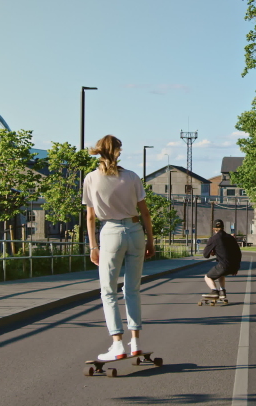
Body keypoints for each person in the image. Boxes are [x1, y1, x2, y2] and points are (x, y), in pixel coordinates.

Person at [83, 135, 155, 361]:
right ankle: (136, 342)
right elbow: (145, 213)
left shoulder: (91, 179)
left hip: (111, 233)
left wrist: (93, 246)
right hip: (135, 232)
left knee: (108, 291)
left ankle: (117, 344)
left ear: (98, 151)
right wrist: (150, 240)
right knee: (132, 290)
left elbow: (91, 217)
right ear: (118, 151)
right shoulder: (132, 177)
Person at [202, 219, 242, 299]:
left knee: (207, 277)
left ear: (213, 228)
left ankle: (214, 291)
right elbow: (238, 253)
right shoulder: (230, 238)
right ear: (223, 227)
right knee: (221, 274)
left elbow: (205, 255)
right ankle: (222, 291)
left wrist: (211, 252)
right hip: (233, 266)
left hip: (223, 265)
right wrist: (236, 267)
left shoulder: (213, 239)